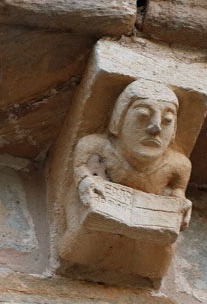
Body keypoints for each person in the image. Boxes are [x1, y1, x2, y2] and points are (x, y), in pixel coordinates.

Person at [73, 79, 192, 229]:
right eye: (143, 115)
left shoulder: (179, 165)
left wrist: (181, 205)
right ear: (119, 118)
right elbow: (81, 169)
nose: (156, 128)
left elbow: (177, 193)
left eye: (167, 120)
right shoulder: (95, 146)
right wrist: (85, 182)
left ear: (174, 131)